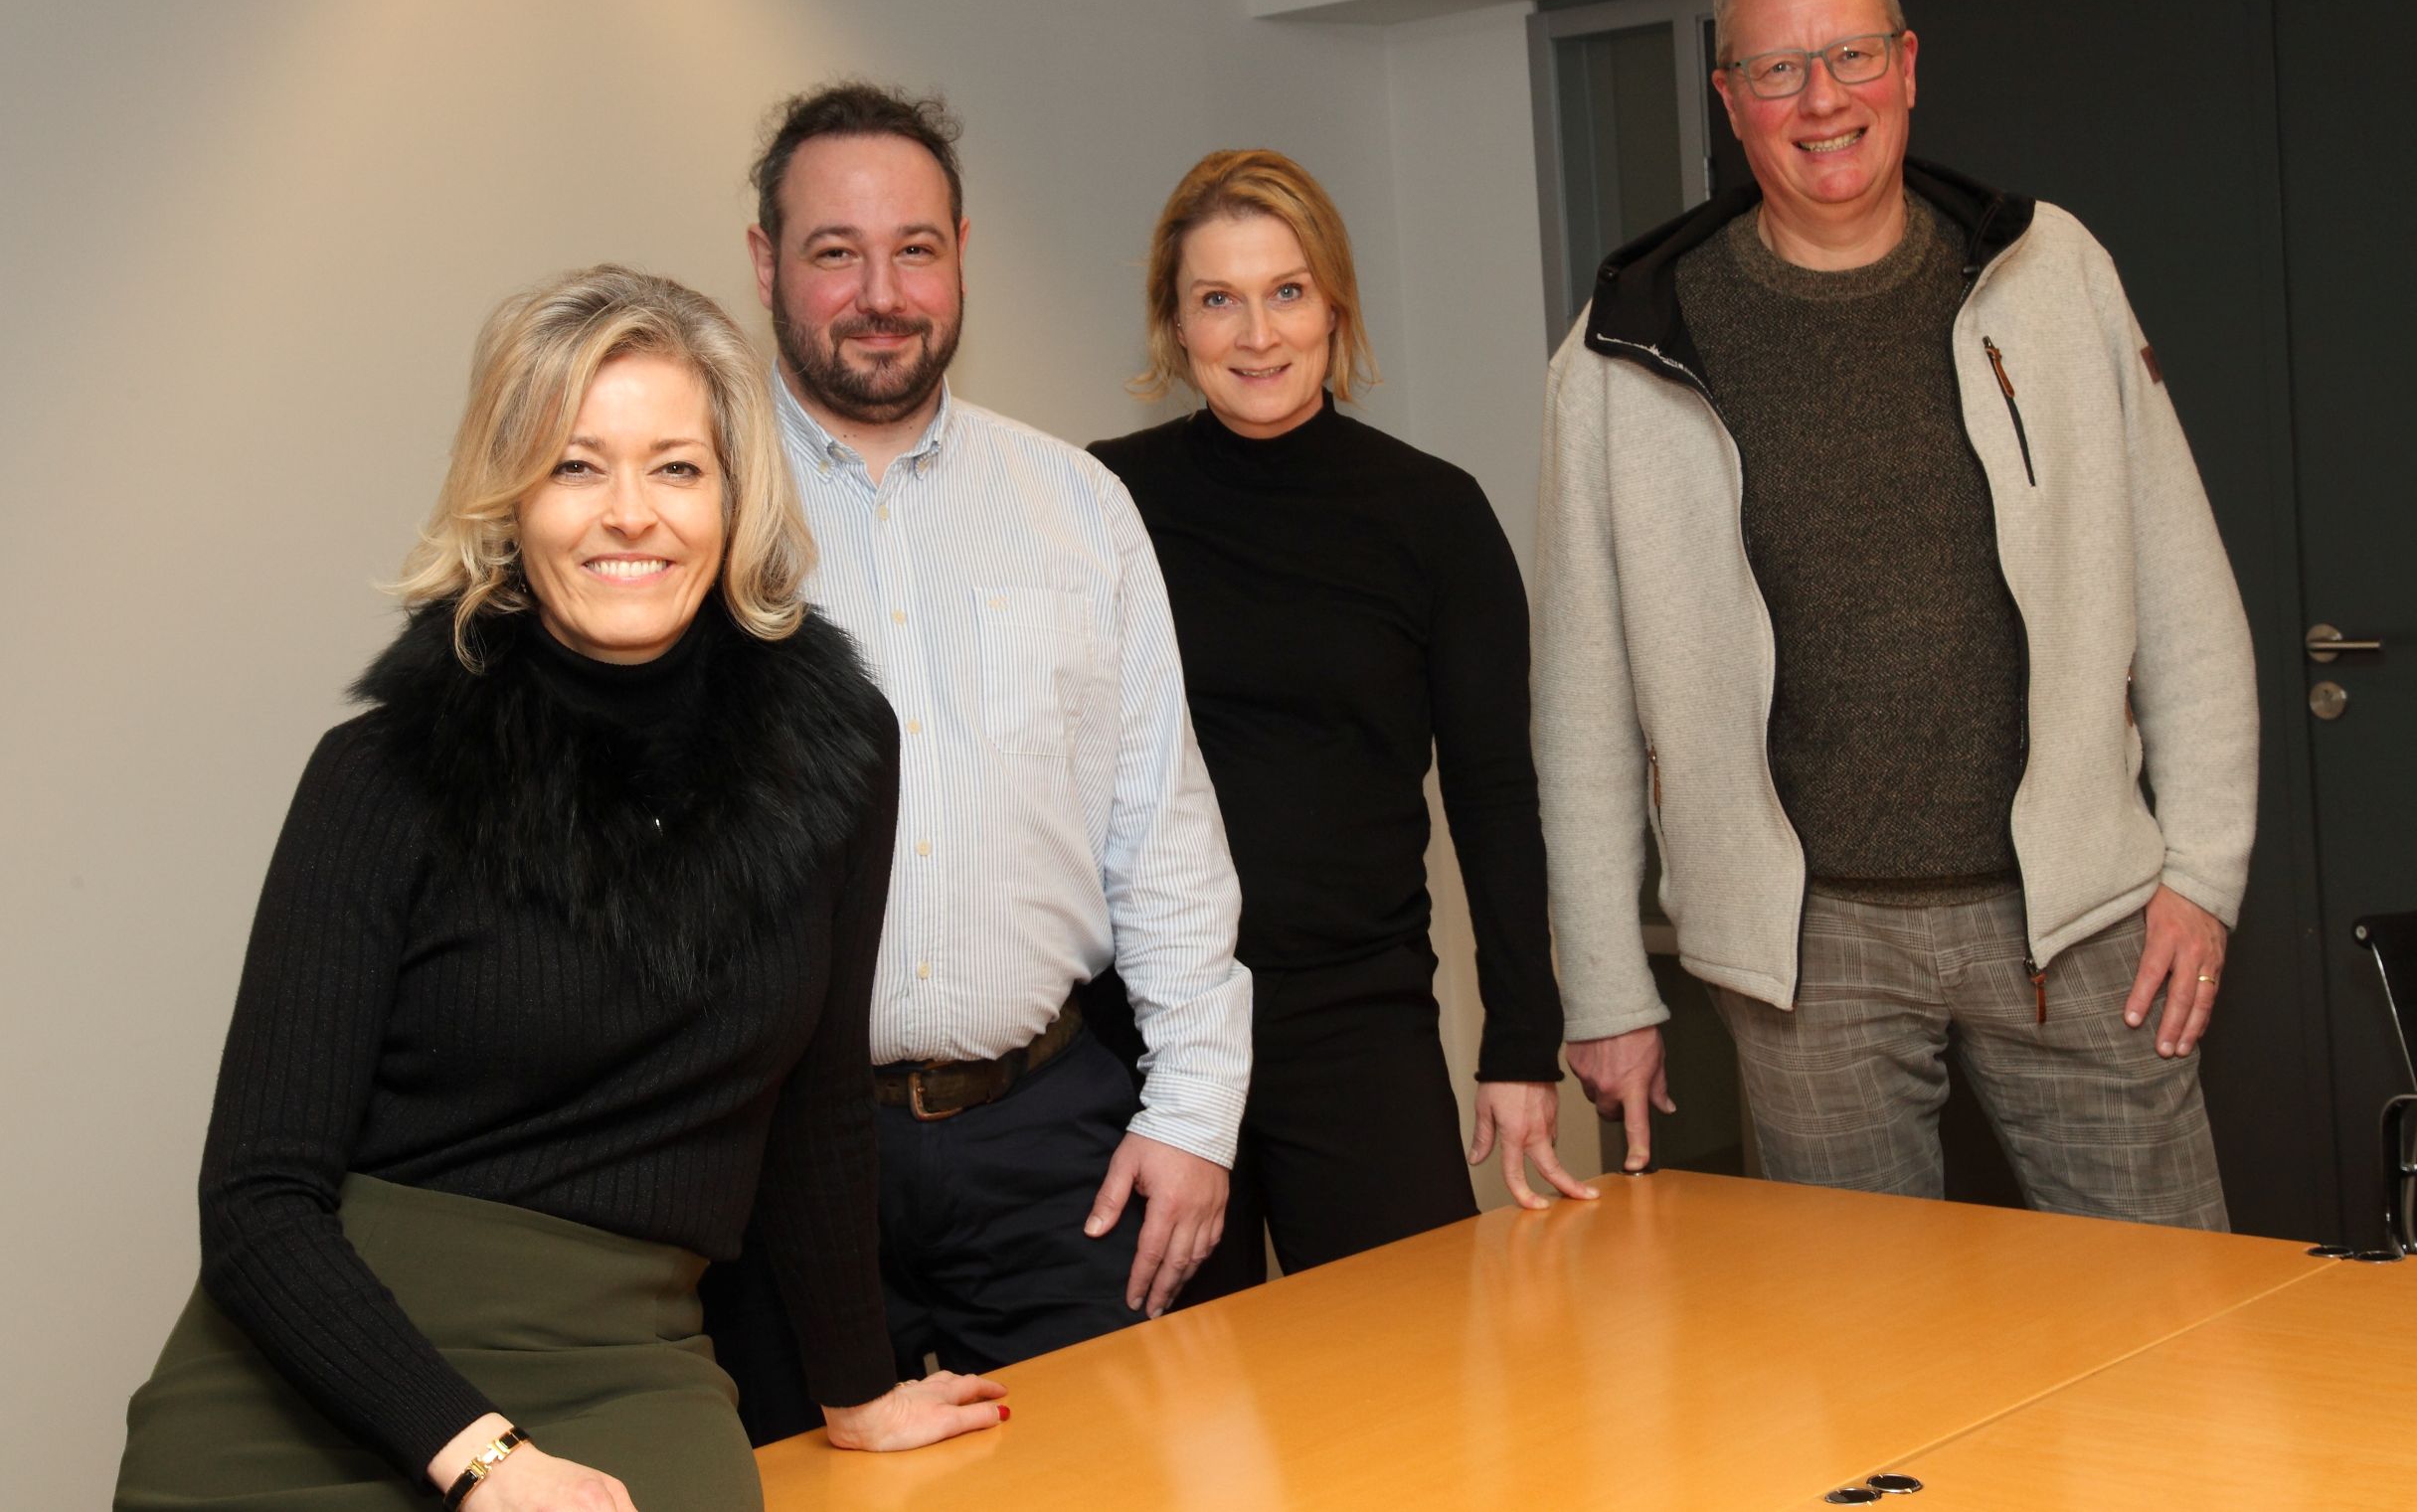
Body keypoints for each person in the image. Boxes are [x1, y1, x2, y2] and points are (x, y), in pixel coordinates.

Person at [113, 266, 1002, 1512]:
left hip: (623, 1363)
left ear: (735, 494)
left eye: (676, 467)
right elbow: (257, 1199)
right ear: (510, 502)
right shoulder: (379, 775)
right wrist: (481, 1457)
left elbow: (814, 1106)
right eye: (576, 467)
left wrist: (855, 1385)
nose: (630, 515)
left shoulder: (840, 750)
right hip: (319, 1376)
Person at [1533, 0, 2256, 1227]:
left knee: (2168, 1305)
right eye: (1776, 70)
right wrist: (1602, 986)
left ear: (1906, 66)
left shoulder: (2050, 274)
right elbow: (1581, 702)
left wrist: (2200, 874)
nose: (1820, 100)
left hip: (2078, 918)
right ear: (1729, 101)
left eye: (1850, 55)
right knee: (1858, 1329)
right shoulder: (1627, 344)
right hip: (1807, 957)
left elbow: (2181, 591)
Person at [705, 84, 1252, 1439]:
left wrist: (1193, 1114)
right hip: (771, 1159)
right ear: (765, 263)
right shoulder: (691, 507)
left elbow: (1161, 831)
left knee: (1111, 1473)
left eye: (914, 249)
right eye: (834, 252)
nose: (880, 294)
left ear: (960, 253)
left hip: (1045, 1143)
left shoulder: (1076, 507)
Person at [1088, 149, 1591, 1301]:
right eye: (1218, 298)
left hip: (1355, 1022)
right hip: (1148, 1031)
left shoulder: (1433, 514)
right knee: (1176, 1390)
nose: (1257, 334)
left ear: (1335, 308)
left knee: (1409, 1371)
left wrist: (1521, 1041)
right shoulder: (1103, 503)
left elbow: (1494, 796)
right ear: (1173, 322)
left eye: (1287, 291)